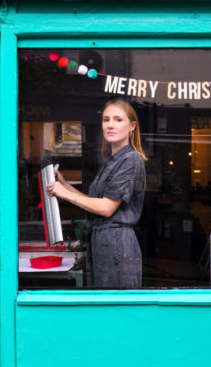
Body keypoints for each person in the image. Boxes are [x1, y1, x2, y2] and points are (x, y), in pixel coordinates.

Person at [46, 99, 147, 288]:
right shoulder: (111, 161)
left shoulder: (130, 159)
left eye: (118, 120)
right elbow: (94, 202)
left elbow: (107, 208)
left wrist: (66, 194)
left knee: (115, 309)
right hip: (103, 243)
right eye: (106, 119)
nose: (110, 125)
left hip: (117, 245)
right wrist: (64, 185)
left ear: (132, 126)